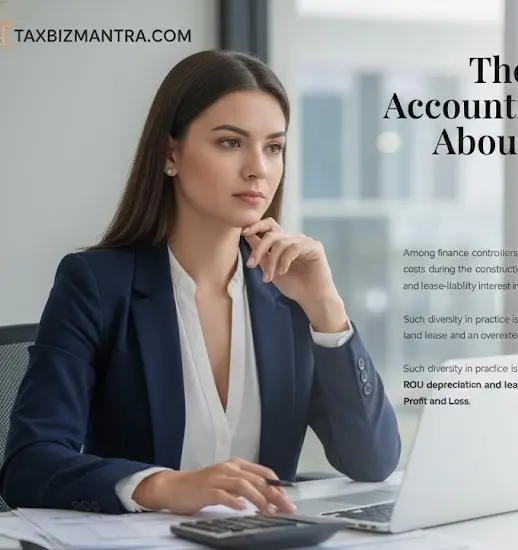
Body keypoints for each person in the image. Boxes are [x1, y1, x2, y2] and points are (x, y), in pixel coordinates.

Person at [0, 50, 401, 515]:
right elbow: (29, 464)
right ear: (171, 153)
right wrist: (163, 487)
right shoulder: (96, 284)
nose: (259, 168)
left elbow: (373, 460)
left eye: (274, 147)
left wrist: (327, 310)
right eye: (231, 143)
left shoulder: (289, 293)